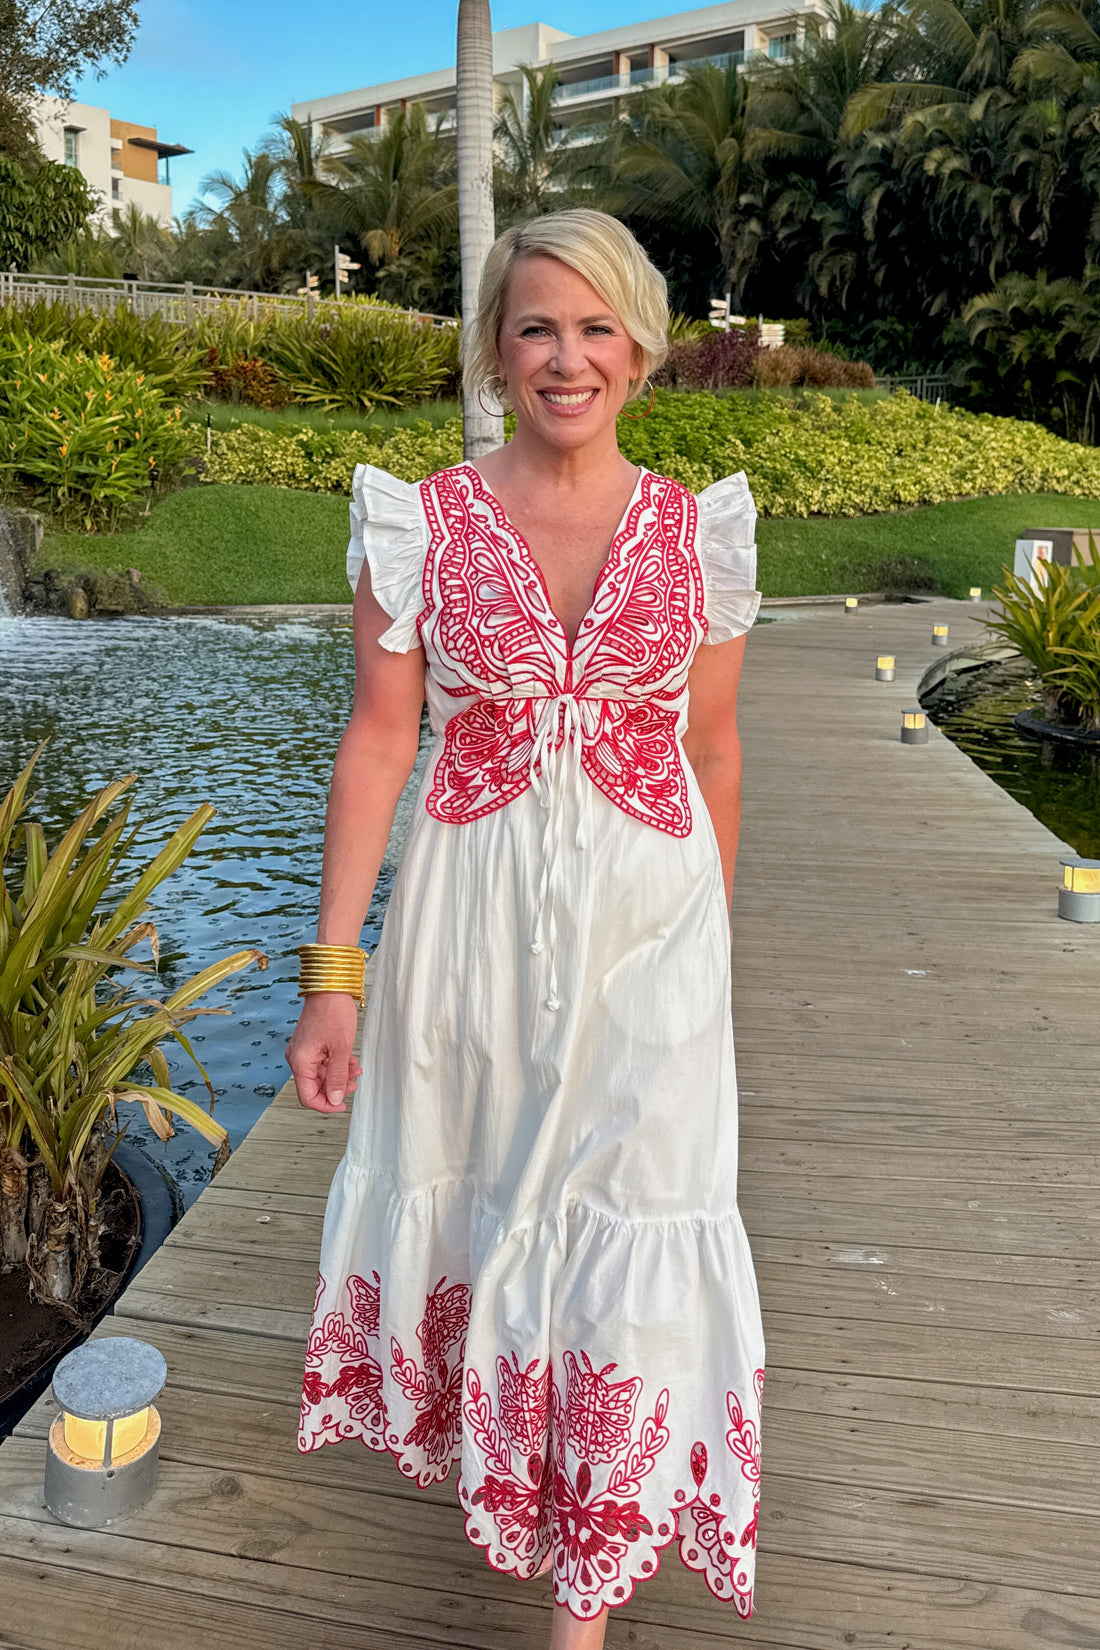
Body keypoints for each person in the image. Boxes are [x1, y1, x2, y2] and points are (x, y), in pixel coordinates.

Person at [286, 208, 766, 1650]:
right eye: (539, 325)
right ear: (497, 346)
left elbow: (717, 749)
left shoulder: (702, 530)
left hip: (655, 930)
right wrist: (334, 978)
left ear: (642, 348)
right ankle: (523, 1478)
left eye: (598, 325)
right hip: (468, 935)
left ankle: (587, 1597)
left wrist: (712, 956)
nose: (569, 356)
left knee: (639, 1213)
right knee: (505, 1210)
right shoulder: (415, 521)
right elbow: (378, 746)